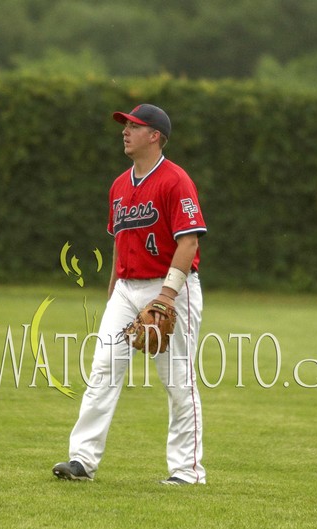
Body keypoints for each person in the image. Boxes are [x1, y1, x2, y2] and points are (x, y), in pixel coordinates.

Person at [52, 104, 207, 485]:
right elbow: (120, 245)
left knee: (177, 380)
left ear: (155, 135)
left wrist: (167, 296)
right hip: (126, 288)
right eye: (125, 125)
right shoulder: (120, 186)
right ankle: (82, 461)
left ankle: (187, 472)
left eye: (134, 126)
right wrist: (113, 296)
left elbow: (188, 242)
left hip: (169, 286)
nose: (125, 131)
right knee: (103, 368)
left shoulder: (175, 180)